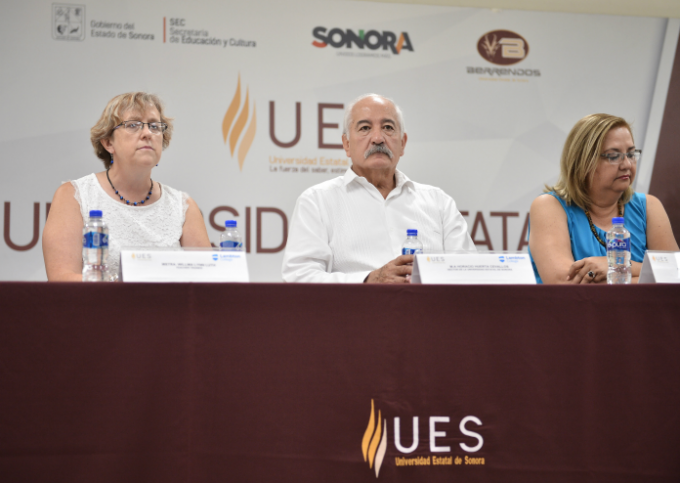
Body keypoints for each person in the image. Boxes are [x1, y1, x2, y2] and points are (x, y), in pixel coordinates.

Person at [282, 93, 474, 283]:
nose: (377, 138)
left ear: (402, 143)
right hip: (358, 304)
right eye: (365, 128)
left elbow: (470, 273)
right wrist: (368, 280)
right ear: (346, 144)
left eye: (388, 128)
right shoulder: (317, 201)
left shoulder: (439, 203)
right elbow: (299, 277)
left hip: (427, 304)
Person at [43, 92, 211, 281]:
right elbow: (61, 280)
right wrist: (125, 286)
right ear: (108, 143)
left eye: (155, 126)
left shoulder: (183, 206)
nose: (147, 133)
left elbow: (208, 281)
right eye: (133, 125)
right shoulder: (74, 196)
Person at [529, 113, 678, 284]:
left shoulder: (649, 206)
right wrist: (644, 277)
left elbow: (675, 274)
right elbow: (565, 282)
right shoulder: (549, 206)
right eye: (613, 156)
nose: (627, 164)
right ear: (584, 162)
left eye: (631, 154)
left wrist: (615, 267)